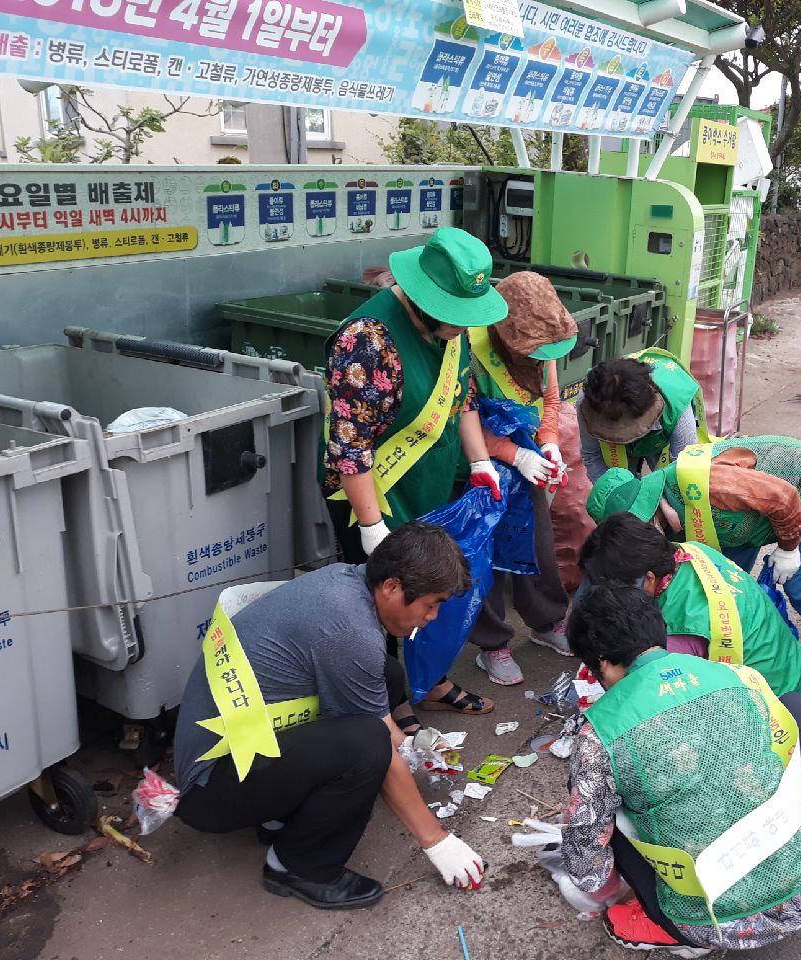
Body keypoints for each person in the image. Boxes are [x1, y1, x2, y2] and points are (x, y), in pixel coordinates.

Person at [173, 522, 486, 908]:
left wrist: (412, 748)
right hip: (209, 788)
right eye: (431, 603)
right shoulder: (348, 631)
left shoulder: (346, 580)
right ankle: (298, 866)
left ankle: (278, 815)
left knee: (386, 675)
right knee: (366, 746)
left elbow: (375, 705)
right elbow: (377, 743)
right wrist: (437, 841)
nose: (433, 616)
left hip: (241, 750)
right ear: (391, 586)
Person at [559, 581, 801, 954]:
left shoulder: (600, 734)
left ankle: (656, 922)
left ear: (602, 663)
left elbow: (584, 857)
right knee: (800, 711)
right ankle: (795, 843)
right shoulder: (736, 676)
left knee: (595, 808)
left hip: (711, 924)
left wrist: (611, 892)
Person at [324, 226, 507, 717]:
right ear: (426, 299)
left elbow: (462, 395)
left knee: (427, 594)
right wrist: (371, 529)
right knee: (381, 604)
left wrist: (480, 461)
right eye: (455, 317)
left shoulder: (451, 328)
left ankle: (433, 677)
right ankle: (386, 700)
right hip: (372, 491)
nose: (463, 328)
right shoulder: (367, 340)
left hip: (427, 480)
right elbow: (350, 445)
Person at [586, 435, 801, 693]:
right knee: (721, 590)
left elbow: (783, 498)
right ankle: (766, 645)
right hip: (740, 524)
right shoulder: (658, 529)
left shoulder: (706, 484)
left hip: (798, 493)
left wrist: (788, 548)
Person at [466, 271, 577, 686]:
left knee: (538, 543)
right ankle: (492, 644)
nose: (540, 359)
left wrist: (547, 444)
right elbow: (465, 419)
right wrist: (513, 454)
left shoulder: (544, 345)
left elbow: (550, 400)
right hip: (478, 465)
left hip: (525, 458)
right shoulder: (471, 348)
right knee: (484, 555)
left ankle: (547, 622)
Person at [579, 512, 801, 699]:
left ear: (649, 578)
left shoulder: (679, 633)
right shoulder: (689, 551)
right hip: (792, 667)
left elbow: (662, 696)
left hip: (775, 704)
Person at [577, 350, 707, 484]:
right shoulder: (589, 400)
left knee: (669, 483)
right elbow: (592, 455)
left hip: (661, 438)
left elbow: (683, 469)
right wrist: (614, 495)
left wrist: (657, 500)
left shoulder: (677, 402)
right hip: (614, 450)